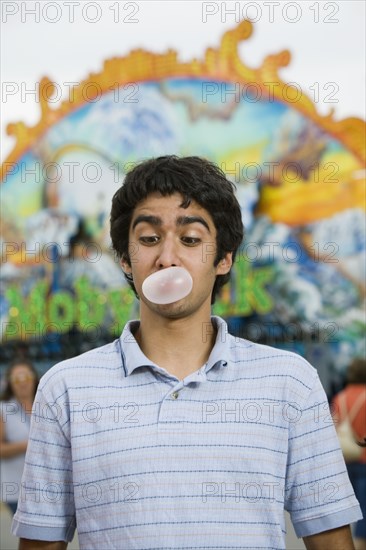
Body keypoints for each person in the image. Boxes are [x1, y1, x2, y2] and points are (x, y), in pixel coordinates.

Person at [12, 156, 362, 549]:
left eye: (191, 239)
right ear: (126, 260)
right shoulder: (66, 389)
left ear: (224, 258)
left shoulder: (290, 382)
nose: (167, 258)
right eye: (148, 239)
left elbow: (331, 543)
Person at [332, 358, 366, 550]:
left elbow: (332, 427)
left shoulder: (340, 397)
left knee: (352, 507)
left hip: (345, 459)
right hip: (364, 459)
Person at [0, 360, 39, 515]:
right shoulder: (3, 409)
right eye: (17, 379)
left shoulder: (46, 405)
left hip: (46, 487)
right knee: (31, 538)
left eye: (27, 377)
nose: (23, 383)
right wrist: (28, 445)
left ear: (34, 379)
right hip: (16, 489)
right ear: (10, 383)